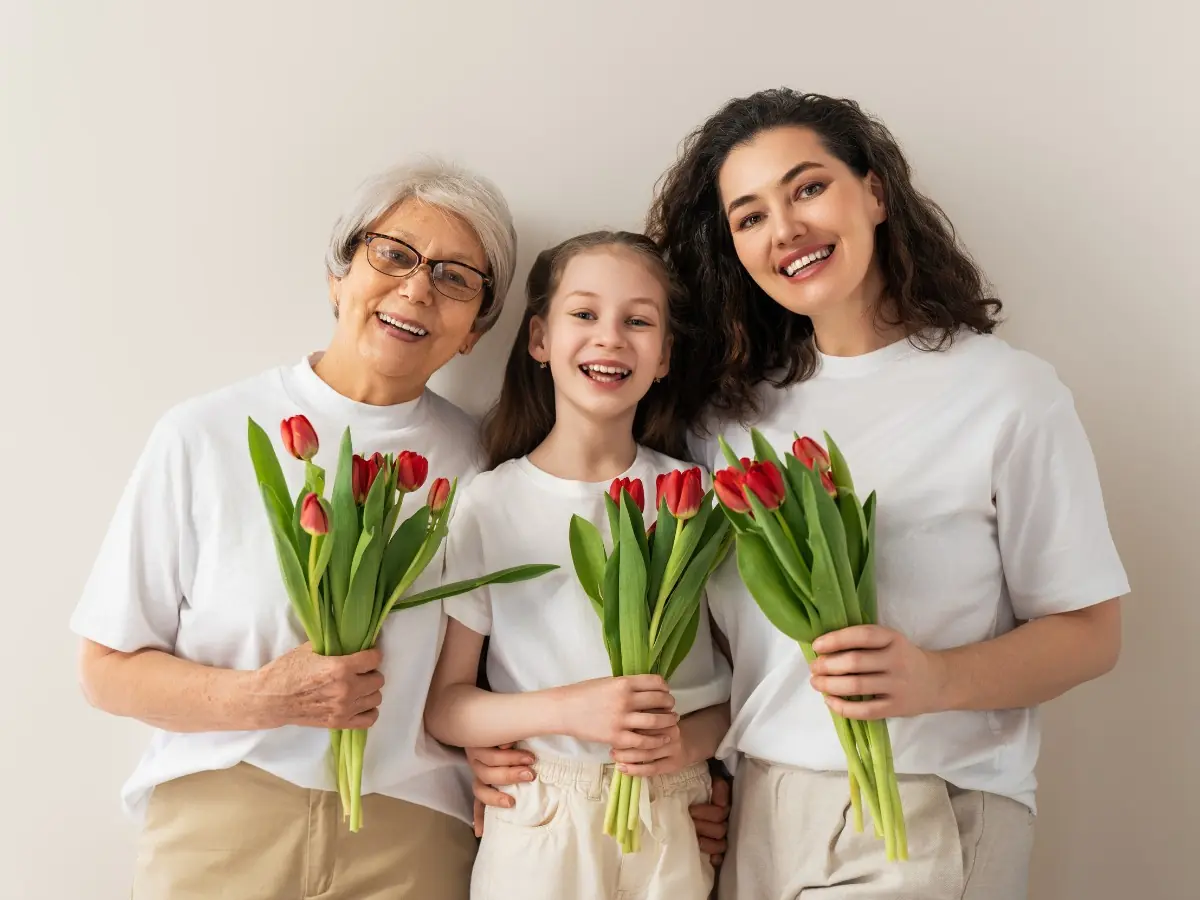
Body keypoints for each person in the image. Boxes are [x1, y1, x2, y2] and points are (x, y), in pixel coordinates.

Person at [646, 88, 1129, 899]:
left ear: (874, 192)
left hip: (926, 810)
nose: (787, 229)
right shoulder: (724, 419)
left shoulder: (1004, 392)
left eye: (807, 188)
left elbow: (1089, 631)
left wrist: (934, 679)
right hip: (762, 815)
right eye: (750, 216)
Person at [70, 158, 518, 899]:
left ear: (475, 330)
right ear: (340, 274)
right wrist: (267, 697)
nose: (416, 289)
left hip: (411, 835)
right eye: (394, 254)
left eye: (454, 277)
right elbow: (104, 669)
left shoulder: (484, 468)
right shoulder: (207, 434)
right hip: (223, 819)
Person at [423, 231, 732, 900]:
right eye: (585, 314)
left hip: (672, 811)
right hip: (538, 812)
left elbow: (750, 691)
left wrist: (684, 747)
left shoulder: (701, 501)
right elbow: (447, 708)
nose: (611, 338)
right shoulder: (488, 503)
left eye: (639, 320)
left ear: (665, 355)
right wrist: (571, 710)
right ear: (539, 339)